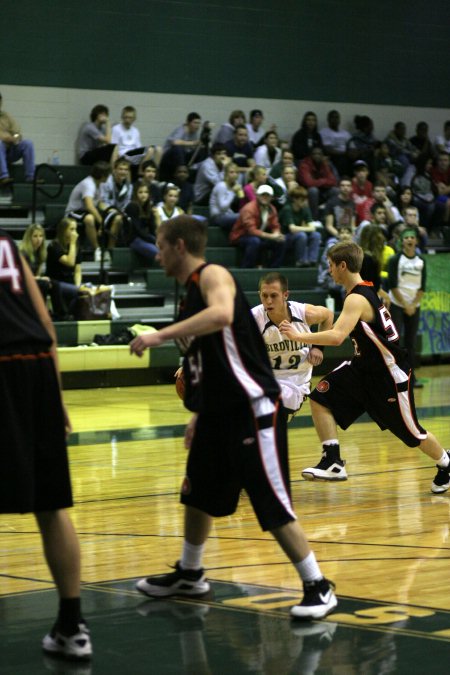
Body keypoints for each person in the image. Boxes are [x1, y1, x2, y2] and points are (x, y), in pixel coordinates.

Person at [129, 215, 338, 620]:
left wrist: (161, 334)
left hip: (252, 409)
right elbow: (210, 358)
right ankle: (191, 573)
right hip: (218, 411)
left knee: (270, 503)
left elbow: (223, 314)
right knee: (197, 491)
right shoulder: (187, 295)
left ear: (179, 246)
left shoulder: (214, 275)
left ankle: (318, 585)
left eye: (159, 245)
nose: (155, 254)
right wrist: (199, 412)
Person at [278, 240, 449, 494]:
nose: (329, 271)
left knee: (412, 435)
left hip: (389, 375)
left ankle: (446, 462)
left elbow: (336, 336)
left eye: (331, 266)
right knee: (321, 396)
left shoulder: (357, 298)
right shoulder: (363, 292)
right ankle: (333, 460)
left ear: (342, 265)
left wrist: (298, 336)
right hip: (363, 369)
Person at [0, 228, 92, 659]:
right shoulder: (5, 243)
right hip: (34, 366)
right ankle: (73, 626)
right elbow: (46, 326)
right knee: (52, 506)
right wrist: (56, 400)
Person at [252, 272, 333, 417]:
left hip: (297, 381)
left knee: (271, 413)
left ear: (285, 295)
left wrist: (318, 347)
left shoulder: (304, 313)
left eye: (274, 295)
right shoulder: (254, 319)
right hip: (269, 378)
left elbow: (328, 315)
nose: (268, 301)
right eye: (264, 296)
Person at [387, 226, 425, 388]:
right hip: (397, 304)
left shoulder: (421, 261)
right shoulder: (395, 260)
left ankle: (411, 378)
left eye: (412, 237)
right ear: (402, 241)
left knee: (411, 342)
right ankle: (395, 378)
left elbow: (422, 287)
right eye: (406, 237)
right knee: (396, 341)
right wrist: (404, 305)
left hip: (414, 306)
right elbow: (393, 285)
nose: (409, 239)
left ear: (416, 240)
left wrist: (412, 305)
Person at [65, 160, 121, 262]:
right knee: (90, 219)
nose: (109, 176)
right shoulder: (88, 184)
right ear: (102, 175)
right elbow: (90, 206)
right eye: (107, 174)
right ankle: (97, 249)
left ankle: (109, 250)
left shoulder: (99, 184)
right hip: (75, 211)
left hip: (87, 210)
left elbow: (99, 203)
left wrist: (111, 210)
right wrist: (102, 223)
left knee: (117, 217)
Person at [230, 185, 286, 268]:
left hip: (259, 236)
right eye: (262, 195)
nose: (265, 197)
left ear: (271, 198)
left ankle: (274, 268)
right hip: (241, 236)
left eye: (267, 195)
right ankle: (246, 268)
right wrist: (271, 236)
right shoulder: (249, 208)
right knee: (254, 241)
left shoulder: (272, 209)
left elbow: (275, 225)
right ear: (257, 195)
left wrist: (277, 234)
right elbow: (251, 230)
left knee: (281, 241)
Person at [19, 223, 66, 320]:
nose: (38, 239)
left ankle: (61, 314)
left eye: (41, 236)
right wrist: (39, 278)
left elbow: (37, 273)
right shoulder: (23, 253)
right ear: (29, 237)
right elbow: (22, 275)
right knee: (44, 283)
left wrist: (39, 278)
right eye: (35, 236)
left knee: (55, 284)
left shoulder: (40, 253)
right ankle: (41, 314)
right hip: (22, 282)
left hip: (34, 280)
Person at [279, 186, 322, 267]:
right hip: (285, 237)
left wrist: (299, 228)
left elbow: (312, 228)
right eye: (302, 200)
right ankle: (300, 261)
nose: (305, 202)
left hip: (297, 234)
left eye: (305, 199)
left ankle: (312, 260)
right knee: (302, 235)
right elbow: (291, 229)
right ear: (295, 199)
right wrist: (304, 229)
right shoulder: (287, 209)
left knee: (316, 235)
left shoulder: (305, 209)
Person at [111, 105, 160, 175]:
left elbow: (138, 147)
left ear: (134, 118)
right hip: (124, 154)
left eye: (130, 118)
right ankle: (140, 171)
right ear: (122, 117)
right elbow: (114, 147)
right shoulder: (116, 129)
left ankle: (155, 174)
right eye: (126, 117)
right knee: (150, 150)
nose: (127, 120)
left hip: (134, 154)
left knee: (158, 149)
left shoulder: (135, 130)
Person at [0, 92, 36, 184]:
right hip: (1, 147)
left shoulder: (6, 116)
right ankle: (3, 176)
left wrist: (15, 138)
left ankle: (30, 177)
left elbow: (17, 132)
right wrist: (6, 138)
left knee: (28, 143)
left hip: (9, 150)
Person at [160, 112, 204, 181]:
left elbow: (192, 148)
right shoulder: (182, 130)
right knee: (178, 148)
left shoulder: (194, 133)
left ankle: (193, 171)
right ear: (188, 123)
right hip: (169, 156)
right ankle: (182, 171)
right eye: (195, 123)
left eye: (199, 123)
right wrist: (192, 143)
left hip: (182, 156)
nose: (197, 125)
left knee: (200, 151)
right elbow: (175, 142)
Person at [298, 147, 338, 220]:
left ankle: (327, 217)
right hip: (307, 192)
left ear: (322, 156)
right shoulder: (304, 164)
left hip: (322, 191)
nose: (317, 156)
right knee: (313, 190)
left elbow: (333, 181)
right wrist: (323, 181)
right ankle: (314, 219)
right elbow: (308, 183)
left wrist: (319, 181)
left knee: (335, 191)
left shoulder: (324, 164)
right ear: (310, 155)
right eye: (314, 154)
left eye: (319, 154)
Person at [124, 183, 159, 264]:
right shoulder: (132, 206)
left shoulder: (149, 207)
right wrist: (153, 240)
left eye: (146, 192)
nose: (143, 195)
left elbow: (152, 228)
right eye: (140, 192)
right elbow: (138, 230)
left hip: (145, 238)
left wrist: (157, 240)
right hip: (134, 239)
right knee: (158, 253)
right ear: (135, 194)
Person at [208, 162, 243, 232]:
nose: (235, 175)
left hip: (227, 215)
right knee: (243, 216)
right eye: (231, 172)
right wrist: (233, 192)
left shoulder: (232, 185)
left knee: (246, 214)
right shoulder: (221, 186)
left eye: (237, 172)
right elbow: (223, 207)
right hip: (217, 217)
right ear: (226, 174)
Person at [319, 110, 351, 177]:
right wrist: (344, 153)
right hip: (333, 157)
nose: (335, 119)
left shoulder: (345, 133)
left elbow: (352, 147)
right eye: (332, 117)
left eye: (337, 117)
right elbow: (327, 149)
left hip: (346, 155)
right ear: (328, 120)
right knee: (341, 159)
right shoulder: (324, 132)